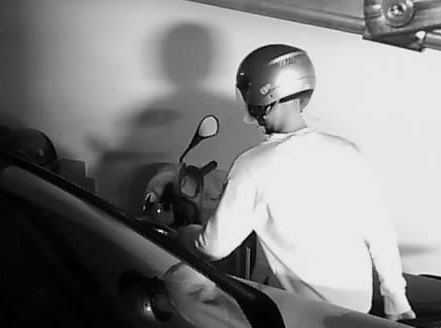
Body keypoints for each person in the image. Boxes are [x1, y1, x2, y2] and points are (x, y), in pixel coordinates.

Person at [178, 43, 416, 321]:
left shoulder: (252, 166)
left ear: (262, 94)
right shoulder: (346, 151)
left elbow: (213, 247)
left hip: (300, 315)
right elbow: (380, 231)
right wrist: (396, 299)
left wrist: (187, 235)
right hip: (355, 314)